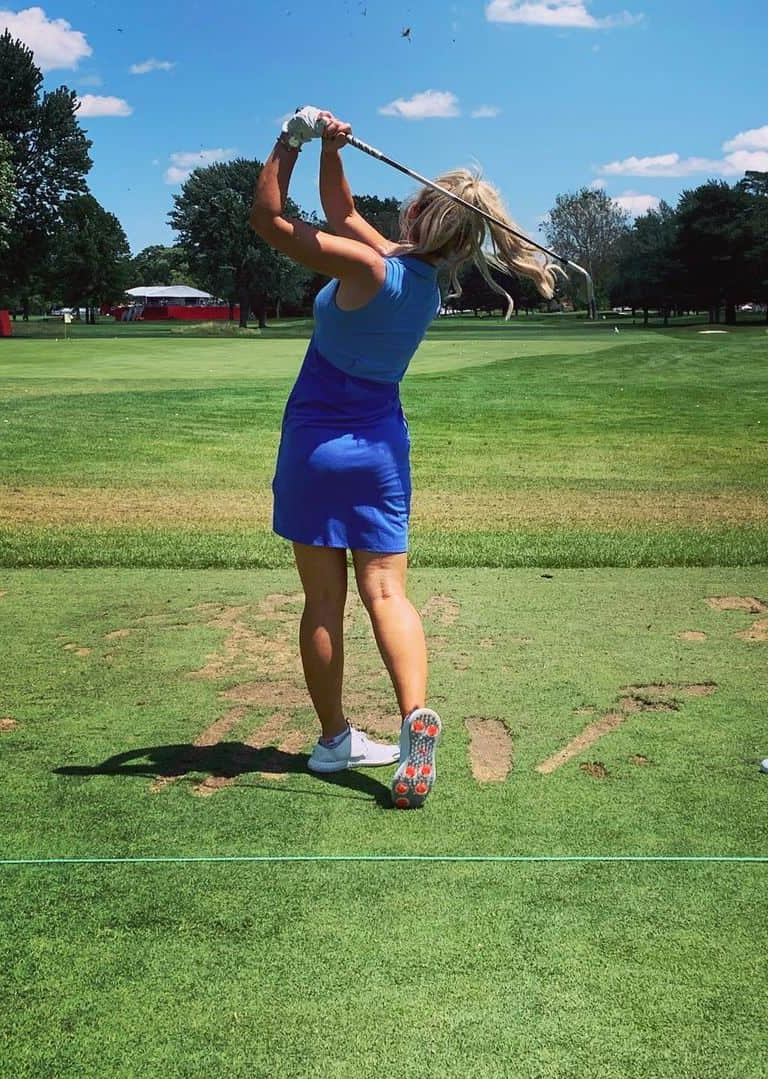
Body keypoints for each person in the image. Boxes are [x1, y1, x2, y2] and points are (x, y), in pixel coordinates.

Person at [249, 106, 561, 808]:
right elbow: (341, 208)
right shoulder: (420, 282)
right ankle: (415, 715)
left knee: (324, 600)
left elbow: (270, 220)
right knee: (386, 592)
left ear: (418, 206)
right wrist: (334, 150)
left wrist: (287, 140)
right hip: (381, 451)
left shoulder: (366, 263)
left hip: (314, 447)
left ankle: (335, 740)